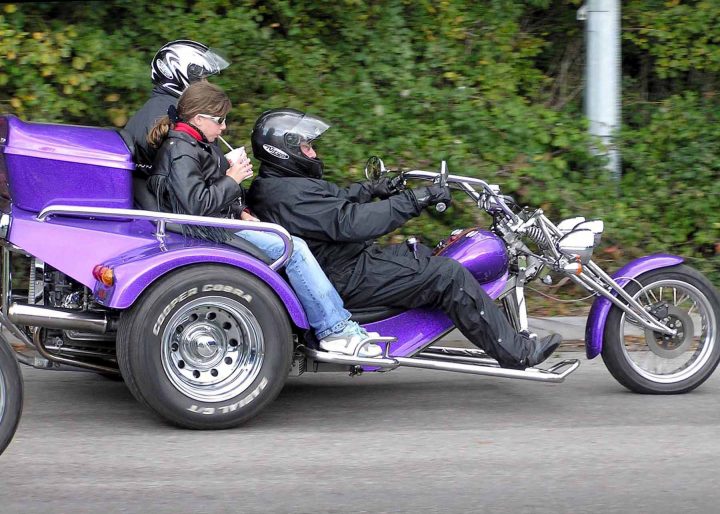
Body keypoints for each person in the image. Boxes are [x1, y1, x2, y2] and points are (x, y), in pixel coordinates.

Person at [246, 108, 563, 369]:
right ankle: (517, 352)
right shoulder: (286, 193)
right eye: (306, 147)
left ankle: (491, 333)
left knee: (430, 253)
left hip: (347, 262)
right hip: (344, 275)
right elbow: (350, 223)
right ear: (282, 150)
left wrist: (374, 189)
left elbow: (334, 201)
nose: (313, 152)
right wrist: (416, 200)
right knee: (448, 274)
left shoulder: (281, 184)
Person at [142, 75, 384, 358]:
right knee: (292, 248)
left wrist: (241, 211)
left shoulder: (194, 143)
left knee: (286, 241)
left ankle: (332, 322)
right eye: (219, 120)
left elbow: (203, 194)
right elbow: (196, 205)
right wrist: (232, 179)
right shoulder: (182, 151)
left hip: (217, 223)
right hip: (204, 230)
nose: (224, 127)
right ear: (197, 119)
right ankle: (334, 330)